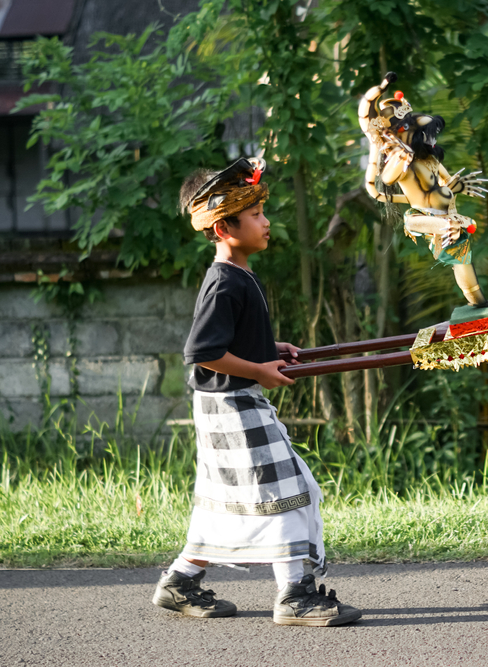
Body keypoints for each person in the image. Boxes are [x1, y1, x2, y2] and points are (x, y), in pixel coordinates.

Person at [151, 157, 362, 627]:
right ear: (225, 227)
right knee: (289, 491)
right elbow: (202, 352)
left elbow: (228, 342)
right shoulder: (224, 280)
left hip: (228, 403)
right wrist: (259, 371)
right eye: (256, 216)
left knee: (232, 499)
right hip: (231, 405)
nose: (267, 223)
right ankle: (296, 598)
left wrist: (269, 350)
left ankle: (181, 581)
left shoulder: (238, 274)